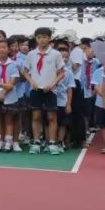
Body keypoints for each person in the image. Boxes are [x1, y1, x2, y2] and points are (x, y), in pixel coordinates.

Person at [24, 27, 66, 155]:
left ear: (49, 38)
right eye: (39, 37)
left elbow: (62, 73)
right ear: (36, 39)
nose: (42, 40)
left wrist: (52, 83)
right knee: (36, 116)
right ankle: (36, 142)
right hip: (36, 89)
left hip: (50, 90)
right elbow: (25, 72)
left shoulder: (56, 54)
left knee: (51, 117)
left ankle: (52, 143)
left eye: (44, 37)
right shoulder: (31, 54)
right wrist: (32, 82)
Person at [0, 38, 21, 152]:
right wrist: (2, 86)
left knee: (9, 121)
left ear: (8, 49)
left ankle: (8, 144)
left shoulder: (13, 65)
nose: (1, 49)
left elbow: (12, 82)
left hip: (10, 97)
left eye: (4, 47)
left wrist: (4, 92)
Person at [53, 42, 75, 151]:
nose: (64, 59)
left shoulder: (69, 73)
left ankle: (60, 141)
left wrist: (68, 104)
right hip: (51, 101)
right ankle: (50, 141)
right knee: (51, 122)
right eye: (62, 57)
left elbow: (69, 89)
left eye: (66, 57)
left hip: (62, 102)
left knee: (63, 123)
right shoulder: (51, 70)